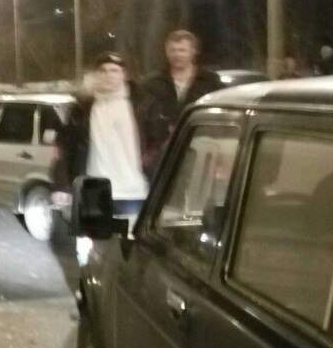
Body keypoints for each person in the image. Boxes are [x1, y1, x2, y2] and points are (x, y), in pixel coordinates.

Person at [53, 51, 150, 221]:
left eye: (114, 70)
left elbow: (158, 143)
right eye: (103, 71)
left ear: (124, 75)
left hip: (133, 192)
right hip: (94, 191)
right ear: (96, 75)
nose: (108, 75)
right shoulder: (83, 109)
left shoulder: (141, 105)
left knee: (132, 238)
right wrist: (61, 185)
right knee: (95, 237)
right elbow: (65, 149)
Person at [138, 30, 222, 177]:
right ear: (166, 52)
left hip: (201, 148)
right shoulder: (151, 83)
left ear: (193, 51)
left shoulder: (210, 82)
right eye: (173, 50)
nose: (177, 55)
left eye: (182, 50)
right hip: (161, 154)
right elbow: (142, 119)